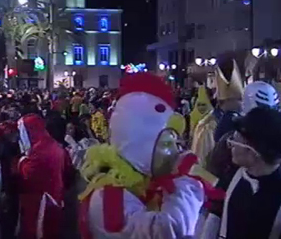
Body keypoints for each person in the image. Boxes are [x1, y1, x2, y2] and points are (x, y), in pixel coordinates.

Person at [79, 72, 208, 239]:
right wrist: (187, 182)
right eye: (168, 143)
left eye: (177, 144)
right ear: (142, 144)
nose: (177, 151)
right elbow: (168, 231)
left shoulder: (146, 182)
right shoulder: (108, 195)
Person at [202, 107, 281, 238]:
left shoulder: (280, 196)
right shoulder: (231, 175)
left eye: (236, 140)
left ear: (254, 150)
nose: (231, 145)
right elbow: (215, 214)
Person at [16, 113, 74, 239]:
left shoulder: (40, 151)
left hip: (42, 201)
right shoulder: (52, 144)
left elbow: (27, 175)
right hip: (55, 196)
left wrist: (21, 161)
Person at [192, 60, 244, 168]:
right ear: (225, 101)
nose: (241, 104)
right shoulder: (208, 127)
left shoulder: (239, 122)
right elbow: (202, 164)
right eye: (238, 100)